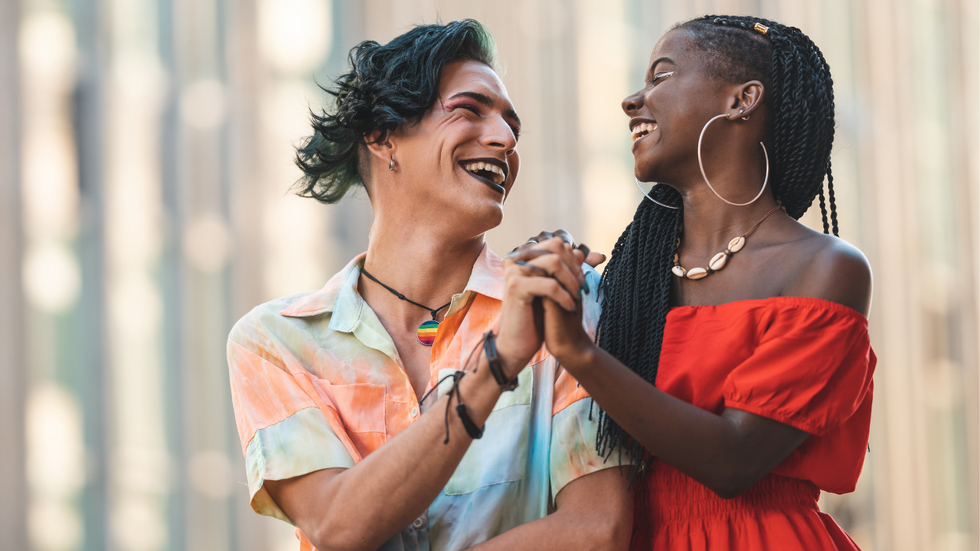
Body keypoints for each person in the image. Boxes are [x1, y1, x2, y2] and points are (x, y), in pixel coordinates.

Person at [226, 20, 631, 551]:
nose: (505, 139)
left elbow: (598, 529)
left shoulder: (564, 301)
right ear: (382, 136)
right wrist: (498, 365)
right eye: (469, 109)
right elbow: (337, 526)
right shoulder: (276, 342)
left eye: (512, 125)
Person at [505, 15, 875, 550]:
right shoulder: (629, 281)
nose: (633, 100)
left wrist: (581, 353)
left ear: (741, 100)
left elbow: (734, 460)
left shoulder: (824, 268)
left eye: (661, 76)